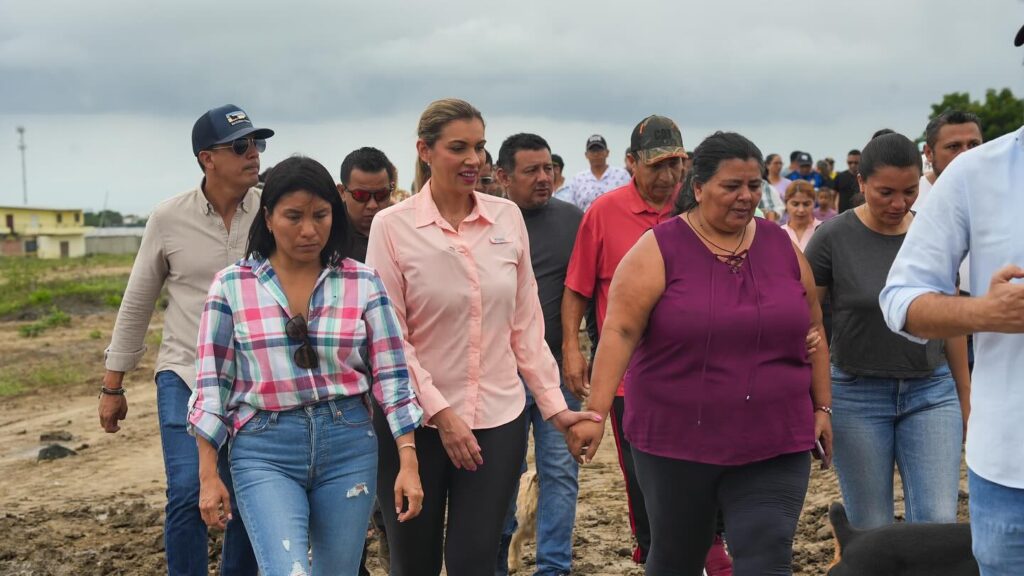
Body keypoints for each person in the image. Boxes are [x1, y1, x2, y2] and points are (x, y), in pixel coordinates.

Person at [567, 131, 833, 575]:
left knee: (766, 556)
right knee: (677, 557)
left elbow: (814, 328)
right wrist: (595, 414)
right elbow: (619, 331)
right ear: (697, 188)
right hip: (677, 441)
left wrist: (822, 405)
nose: (746, 196)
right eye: (732, 186)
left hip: (775, 437)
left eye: (752, 186)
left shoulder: (780, 245)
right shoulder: (658, 249)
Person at [366, 98, 599, 576]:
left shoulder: (506, 219)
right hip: (416, 427)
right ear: (425, 151)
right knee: (415, 564)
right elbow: (390, 340)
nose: (474, 159)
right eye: (459, 147)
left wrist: (557, 411)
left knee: (476, 561)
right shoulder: (391, 226)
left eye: (479, 147)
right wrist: (442, 414)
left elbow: (526, 329)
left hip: (498, 418)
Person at [187, 156, 423, 574]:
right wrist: (208, 474)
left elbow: (392, 377)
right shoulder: (231, 286)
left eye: (321, 215)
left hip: (349, 442)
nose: (309, 230)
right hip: (263, 448)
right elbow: (213, 386)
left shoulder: (363, 282)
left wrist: (408, 460)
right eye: (293, 216)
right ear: (268, 217)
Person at [97, 104, 268, 576]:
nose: (252, 154)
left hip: (257, 383)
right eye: (240, 147)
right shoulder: (168, 218)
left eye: (256, 144)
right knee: (188, 491)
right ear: (206, 158)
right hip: (185, 374)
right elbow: (138, 302)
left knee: (247, 493)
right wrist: (113, 386)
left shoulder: (273, 213)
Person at [562, 115, 731, 573]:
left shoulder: (701, 209)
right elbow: (578, 288)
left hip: (702, 373)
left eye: (677, 163)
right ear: (631, 163)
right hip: (629, 379)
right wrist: (573, 350)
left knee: (711, 471)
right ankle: (653, 552)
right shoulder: (604, 212)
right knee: (645, 484)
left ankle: (712, 553)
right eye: (657, 165)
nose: (669, 176)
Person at [806, 132, 970, 531]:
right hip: (856, 395)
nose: (899, 204)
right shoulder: (832, 238)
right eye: (885, 192)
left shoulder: (934, 232)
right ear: (860, 183)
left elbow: (950, 322)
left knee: (935, 524)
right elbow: (808, 321)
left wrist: (966, 399)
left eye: (910, 191)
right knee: (870, 530)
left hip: (931, 393)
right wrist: (819, 403)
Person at [490, 133, 585, 576]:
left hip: (558, 370)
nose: (544, 178)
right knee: (500, 478)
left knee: (561, 472)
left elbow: (585, 291)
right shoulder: (486, 221)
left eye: (548, 168)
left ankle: (554, 568)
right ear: (503, 176)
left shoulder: (573, 221)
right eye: (532, 170)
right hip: (497, 373)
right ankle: (497, 559)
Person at [338, 147, 396, 263]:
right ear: (342, 192)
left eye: (381, 195)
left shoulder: (403, 229)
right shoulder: (328, 235)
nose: (372, 205)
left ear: (391, 188)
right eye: (361, 195)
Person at [918, 110, 983, 203]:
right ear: (929, 153)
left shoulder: (1000, 192)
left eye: (974, 145)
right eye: (954, 146)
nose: (966, 153)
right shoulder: (909, 200)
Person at [563, 134, 631, 212]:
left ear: (607, 152)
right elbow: (571, 208)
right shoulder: (578, 179)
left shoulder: (621, 175)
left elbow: (630, 201)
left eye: (599, 150)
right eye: (592, 151)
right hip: (586, 222)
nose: (596, 154)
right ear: (586, 155)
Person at [780, 180, 822, 252]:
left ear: (814, 203)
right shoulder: (779, 233)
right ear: (786, 204)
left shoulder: (823, 230)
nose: (801, 210)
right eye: (795, 204)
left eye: (806, 204)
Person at [759, 153, 787, 222]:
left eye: (780, 163)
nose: (779, 166)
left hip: (780, 221)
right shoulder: (763, 184)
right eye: (776, 163)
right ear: (767, 165)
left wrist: (774, 214)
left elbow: (781, 206)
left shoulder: (766, 186)